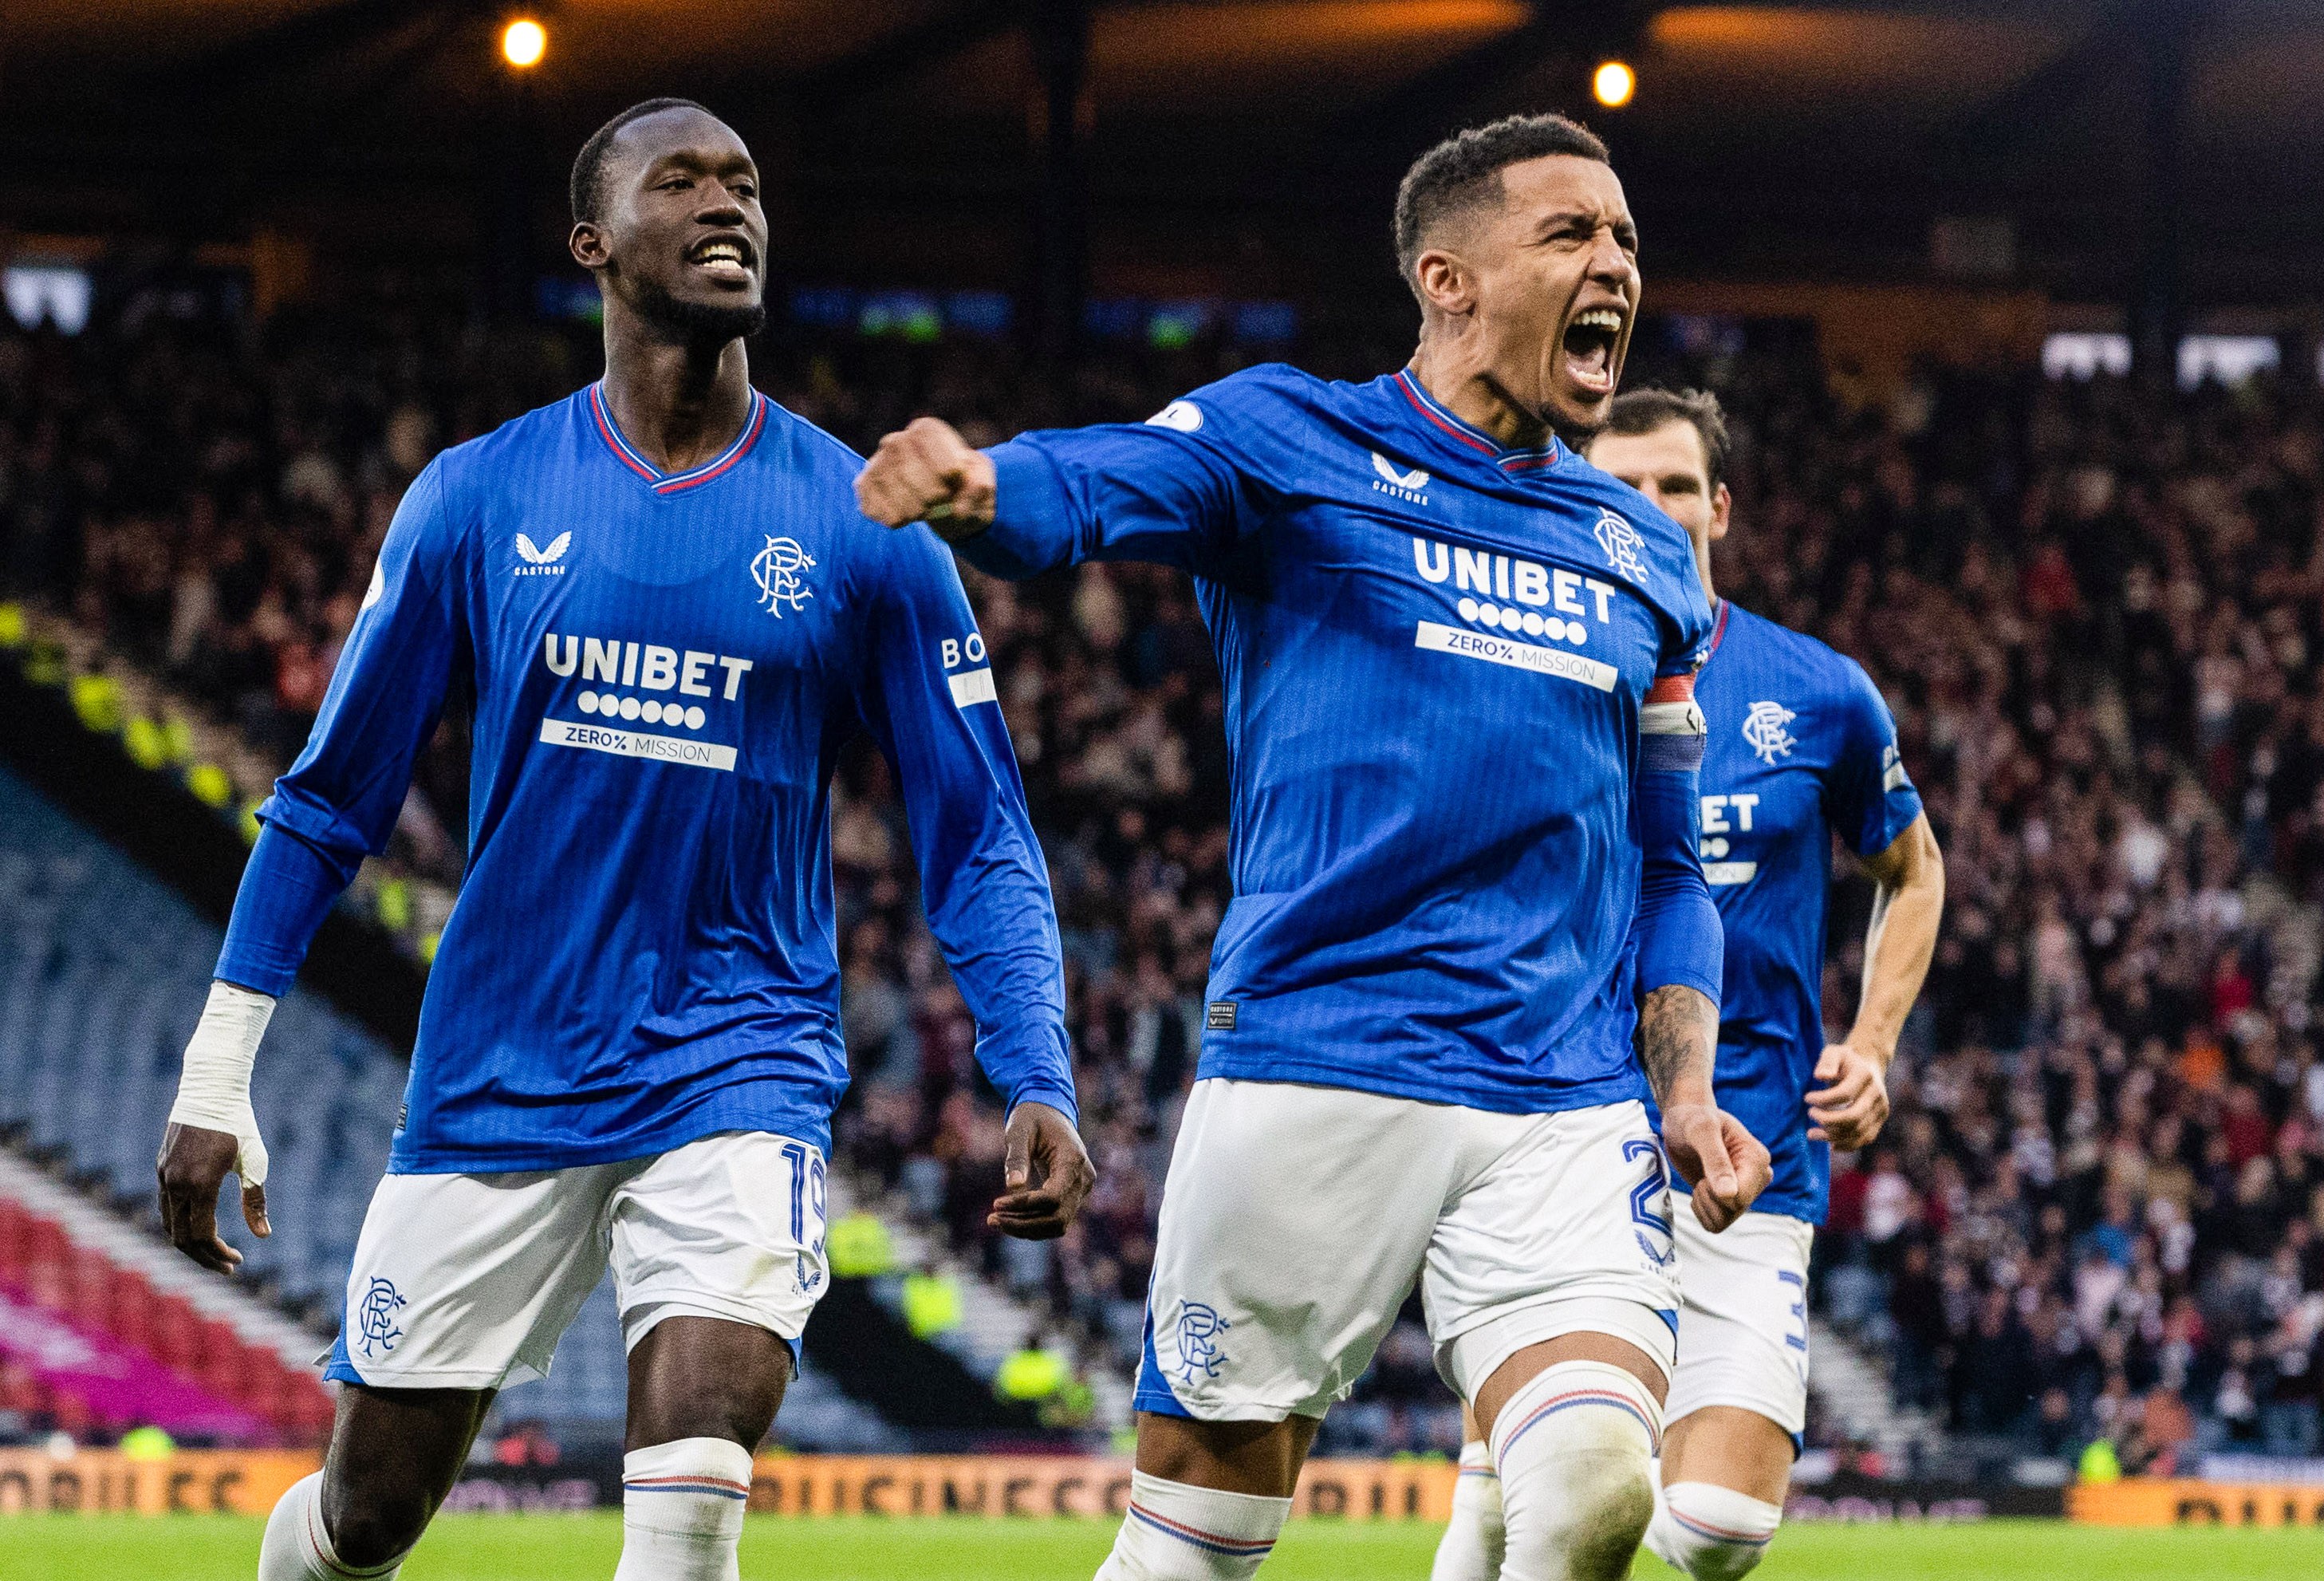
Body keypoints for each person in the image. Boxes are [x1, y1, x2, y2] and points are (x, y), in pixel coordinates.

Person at [154, 100, 1090, 1581]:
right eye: (684, 181)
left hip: (741, 1051)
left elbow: (977, 830)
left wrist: (1035, 1063)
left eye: (748, 183)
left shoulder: (866, 524)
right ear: (592, 242)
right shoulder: (477, 495)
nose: (730, 205)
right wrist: (219, 1065)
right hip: (503, 1062)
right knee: (368, 1515)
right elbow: (331, 798)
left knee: (699, 1461)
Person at [854, 113, 1771, 1581]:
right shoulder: (1292, 438)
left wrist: (1684, 1082)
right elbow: (1093, 489)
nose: (1616, 262)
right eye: (1571, 234)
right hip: (1314, 1060)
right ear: (1448, 278)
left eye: (1626, 241)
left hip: (1557, 1095)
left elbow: (1670, 869)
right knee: (1196, 1545)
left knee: (1597, 1485)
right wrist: (977, 487)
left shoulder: (1642, 551)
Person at [1430, 389, 1943, 1580]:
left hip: (1752, 1152)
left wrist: (1873, 1042)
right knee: (1557, 1506)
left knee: (1716, 1530)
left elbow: (1912, 870)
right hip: (1566, 1143)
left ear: (1717, 507)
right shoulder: (1531, 670)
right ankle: (1505, 1485)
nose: (1647, 506)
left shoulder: (1818, 693)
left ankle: (1501, 1477)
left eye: (1672, 484)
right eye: (1621, 484)